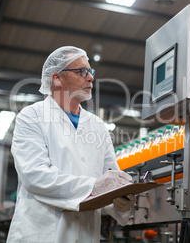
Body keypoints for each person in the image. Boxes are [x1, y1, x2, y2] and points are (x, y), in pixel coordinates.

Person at [7, 46, 136, 242]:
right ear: (57, 78)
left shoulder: (97, 126)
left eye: (91, 72)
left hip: (85, 234)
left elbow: (109, 178)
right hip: (41, 234)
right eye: (82, 71)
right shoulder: (32, 116)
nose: (91, 78)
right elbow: (35, 175)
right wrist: (94, 186)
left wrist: (120, 201)